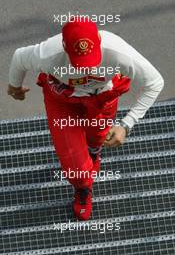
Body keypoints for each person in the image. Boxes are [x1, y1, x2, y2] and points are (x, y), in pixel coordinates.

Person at [8, 16, 164, 221]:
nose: (86, 68)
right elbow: (19, 57)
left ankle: (93, 150)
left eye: (91, 59)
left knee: (98, 137)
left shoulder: (118, 52)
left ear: (99, 41)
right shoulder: (47, 53)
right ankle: (83, 187)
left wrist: (126, 125)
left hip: (102, 99)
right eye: (79, 62)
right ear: (64, 47)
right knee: (76, 168)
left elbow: (155, 82)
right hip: (63, 101)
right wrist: (15, 87)